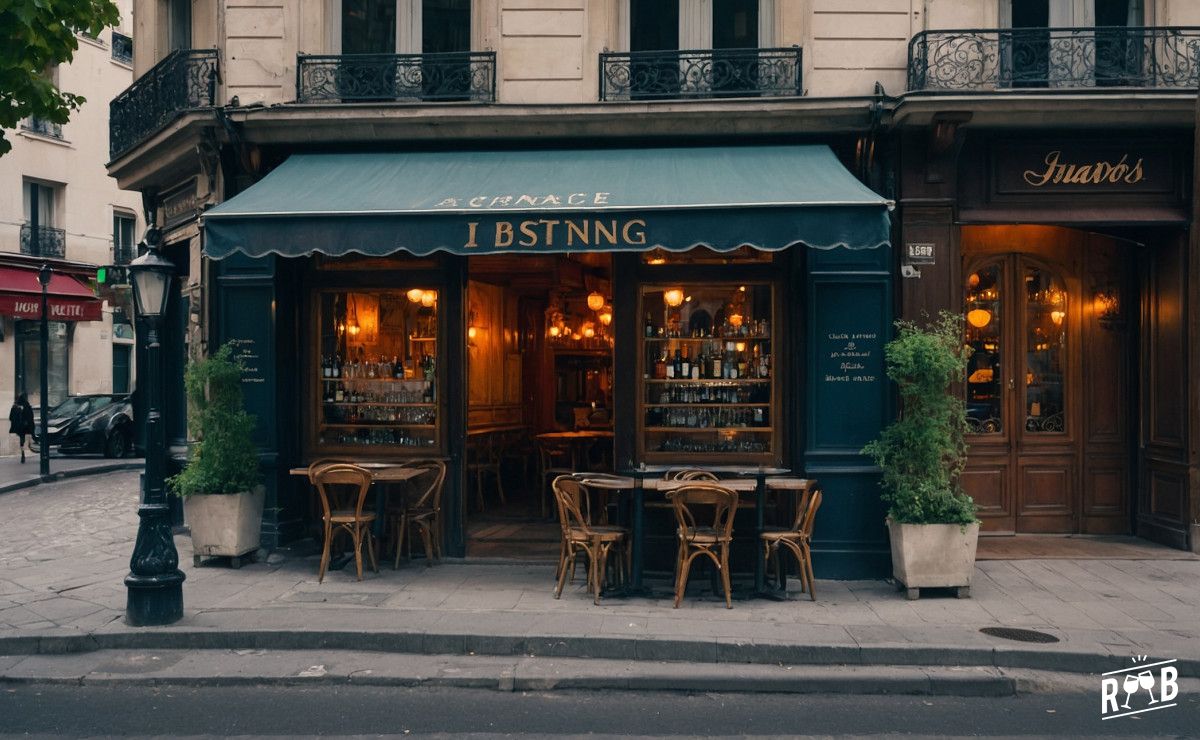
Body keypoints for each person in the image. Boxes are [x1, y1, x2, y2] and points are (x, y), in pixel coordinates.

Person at [8, 393, 34, 463]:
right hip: (27, 426)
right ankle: (26, 449)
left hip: (19, 427)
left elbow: (10, 418)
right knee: (29, 437)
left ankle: (23, 451)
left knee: (22, 439)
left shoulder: (15, 407)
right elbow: (31, 417)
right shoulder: (27, 406)